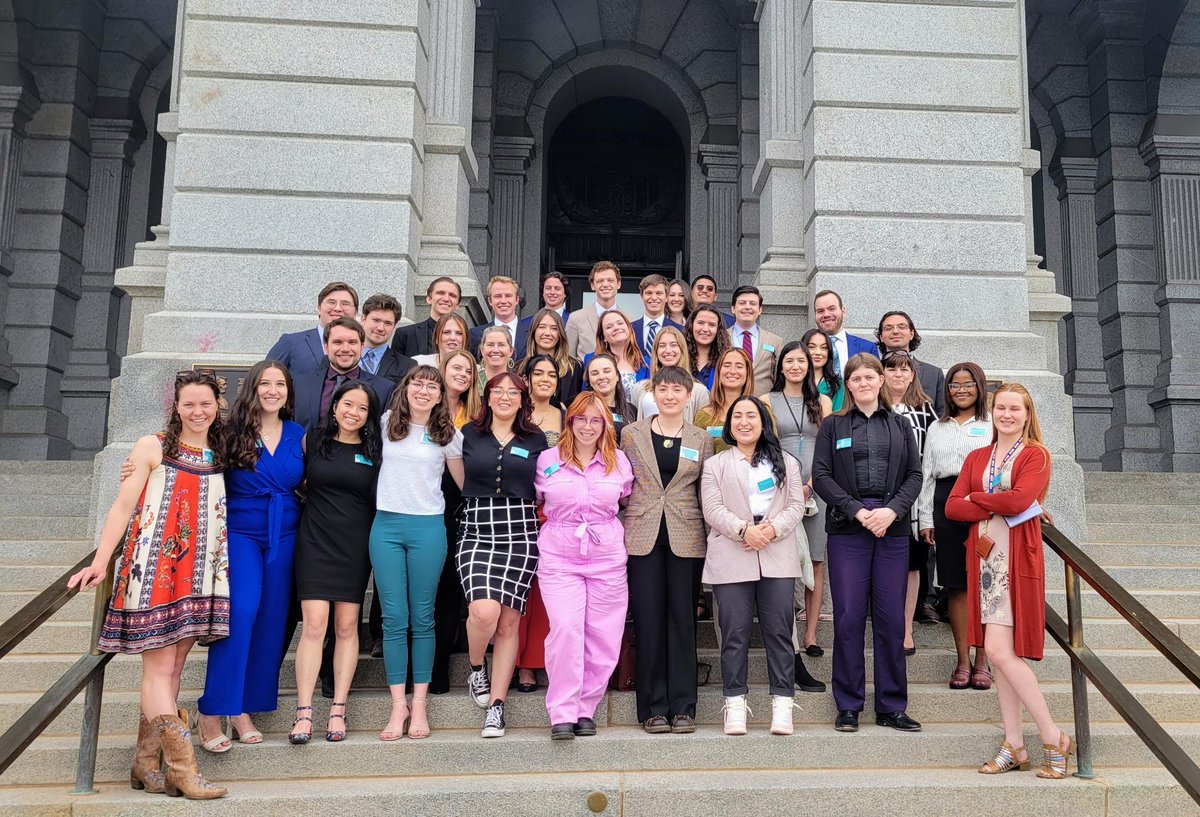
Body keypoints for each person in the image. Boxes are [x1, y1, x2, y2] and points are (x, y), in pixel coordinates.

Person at [69, 369, 230, 800]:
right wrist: (101, 562)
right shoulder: (152, 446)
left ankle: (144, 764)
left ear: (218, 406)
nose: (198, 411)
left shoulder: (222, 450)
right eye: (189, 404)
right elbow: (122, 507)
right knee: (159, 670)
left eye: (205, 403)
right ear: (176, 407)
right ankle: (183, 769)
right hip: (155, 570)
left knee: (174, 669)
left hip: (199, 575)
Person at [946, 383, 1073, 778]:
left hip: (1014, 561)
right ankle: (1014, 744)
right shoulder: (978, 455)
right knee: (1000, 659)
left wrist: (978, 499)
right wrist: (997, 498)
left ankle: (1053, 736)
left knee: (1000, 653)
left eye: (1015, 409)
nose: (1007, 414)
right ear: (992, 412)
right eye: (1001, 408)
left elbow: (1020, 502)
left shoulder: (1036, 455)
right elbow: (951, 507)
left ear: (1027, 414)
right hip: (984, 563)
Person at [193, 361, 303, 752]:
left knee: (272, 620)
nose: (273, 390)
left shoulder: (298, 434)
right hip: (241, 532)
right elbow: (190, 458)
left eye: (281, 384)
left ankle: (243, 708)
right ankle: (211, 709)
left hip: (286, 534)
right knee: (242, 612)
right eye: (265, 384)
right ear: (252, 388)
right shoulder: (229, 432)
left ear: (289, 391)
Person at [812, 353, 923, 735]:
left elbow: (914, 474)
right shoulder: (833, 425)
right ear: (849, 384)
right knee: (848, 618)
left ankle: (892, 705)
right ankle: (848, 705)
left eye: (869, 378)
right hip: (849, 528)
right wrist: (858, 511)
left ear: (881, 381)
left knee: (891, 620)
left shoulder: (899, 424)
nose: (863, 384)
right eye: (856, 379)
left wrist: (891, 511)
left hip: (891, 528)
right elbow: (822, 475)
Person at [701, 395, 813, 736]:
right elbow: (712, 508)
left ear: (764, 422)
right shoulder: (716, 464)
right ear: (729, 425)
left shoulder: (786, 462)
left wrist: (771, 529)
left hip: (776, 552)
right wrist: (743, 530)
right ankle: (735, 704)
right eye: (737, 417)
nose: (744, 422)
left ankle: (782, 703)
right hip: (733, 550)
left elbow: (796, 505)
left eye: (751, 415)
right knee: (734, 633)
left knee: (779, 632)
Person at [370, 366, 465, 741]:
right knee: (394, 618)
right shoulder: (384, 424)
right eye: (417, 383)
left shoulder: (448, 436)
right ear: (406, 388)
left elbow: (464, 486)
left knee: (423, 618)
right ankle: (398, 705)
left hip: (428, 529)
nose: (424, 390)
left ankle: (420, 703)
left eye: (432, 386)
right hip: (386, 528)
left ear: (441, 396)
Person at [535, 392, 634, 740]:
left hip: (606, 554)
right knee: (565, 629)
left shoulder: (619, 462)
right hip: (560, 555)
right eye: (581, 419)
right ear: (570, 421)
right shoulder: (548, 459)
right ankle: (562, 709)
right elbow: (539, 500)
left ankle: (585, 708)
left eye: (596, 419)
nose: (588, 426)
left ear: (605, 423)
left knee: (604, 635)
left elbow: (624, 499)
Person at [621, 367, 714, 734]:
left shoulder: (702, 438)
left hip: (686, 535)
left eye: (678, 390)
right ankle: (652, 707)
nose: (670, 396)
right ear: (653, 394)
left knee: (682, 620)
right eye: (663, 389)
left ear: (689, 396)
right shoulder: (631, 434)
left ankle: (684, 707)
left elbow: (705, 491)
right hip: (642, 534)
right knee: (648, 620)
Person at [457, 373, 550, 738]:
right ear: (488, 396)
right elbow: (456, 478)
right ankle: (477, 666)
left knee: (509, 623)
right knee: (484, 612)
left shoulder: (535, 438)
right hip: (477, 531)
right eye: (499, 391)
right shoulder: (467, 434)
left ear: (522, 398)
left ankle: (497, 706)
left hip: (521, 532)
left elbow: (544, 484)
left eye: (514, 391)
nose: (506, 397)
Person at [292, 380, 382, 743]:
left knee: (347, 627)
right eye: (348, 404)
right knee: (314, 625)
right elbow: (293, 480)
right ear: (334, 406)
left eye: (362, 408)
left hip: (355, 545)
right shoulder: (312, 440)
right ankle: (303, 713)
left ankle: (338, 710)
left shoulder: (375, 450)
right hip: (314, 541)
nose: (353, 413)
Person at [918, 362, 993, 690]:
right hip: (946, 503)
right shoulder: (938, 426)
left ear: (980, 387)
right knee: (957, 585)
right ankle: (962, 661)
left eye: (968, 384)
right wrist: (925, 518)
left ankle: (983, 661)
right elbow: (927, 473)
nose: (961, 390)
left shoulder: (991, 424)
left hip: (985, 505)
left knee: (986, 585)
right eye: (954, 385)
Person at [766, 341, 834, 664]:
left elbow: (827, 445)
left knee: (817, 561)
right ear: (780, 366)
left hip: (817, 485)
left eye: (801, 361)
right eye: (789, 361)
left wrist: (811, 483)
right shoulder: (768, 400)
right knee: (787, 558)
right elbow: (767, 445)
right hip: (782, 486)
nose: (795, 366)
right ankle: (788, 629)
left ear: (809, 366)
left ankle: (810, 635)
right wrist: (793, 486)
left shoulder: (821, 400)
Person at [881, 349, 941, 655]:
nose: (898, 375)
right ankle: (886, 626)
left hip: (914, 500)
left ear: (913, 374)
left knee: (912, 565)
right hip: (878, 498)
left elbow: (930, 460)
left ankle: (905, 629)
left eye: (905, 370)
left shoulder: (927, 410)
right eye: (892, 370)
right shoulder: (874, 407)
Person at [428, 350, 479, 690]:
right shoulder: (421, 408)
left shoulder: (476, 416)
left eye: (468, 370)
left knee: (449, 590)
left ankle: (440, 669)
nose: (461, 374)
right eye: (455, 367)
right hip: (422, 507)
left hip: (458, 508)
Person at [515, 355, 565, 693]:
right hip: (520, 506)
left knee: (550, 591)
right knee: (523, 590)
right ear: (528, 378)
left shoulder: (564, 413)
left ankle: (546, 658)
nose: (545, 379)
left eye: (551, 374)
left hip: (555, 509)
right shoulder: (516, 410)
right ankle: (523, 664)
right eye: (539, 374)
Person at [291, 317, 396, 430]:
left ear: (361, 348)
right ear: (326, 347)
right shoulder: (300, 384)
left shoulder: (384, 389)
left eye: (352, 342)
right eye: (338, 342)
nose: (345, 349)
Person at [267, 282, 359, 376]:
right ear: (319, 308)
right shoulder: (291, 343)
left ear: (356, 312)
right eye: (331, 302)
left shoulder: (361, 348)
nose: (338, 308)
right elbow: (264, 377)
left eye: (345, 304)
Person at [628, 327, 710, 421]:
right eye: (662, 346)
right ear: (656, 351)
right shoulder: (639, 388)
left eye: (673, 345)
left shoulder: (699, 391)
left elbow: (701, 431)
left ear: (682, 350)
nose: (668, 350)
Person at [876, 310, 945, 415]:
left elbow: (942, 415)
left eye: (901, 327)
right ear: (881, 337)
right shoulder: (872, 372)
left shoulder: (933, 374)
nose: (895, 331)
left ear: (911, 334)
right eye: (888, 328)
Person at [694, 348, 759, 454]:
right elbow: (697, 459)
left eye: (739, 366)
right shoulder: (703, 416)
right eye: (727, 365)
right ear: (718, 372)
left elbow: (772, 453)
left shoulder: (762, 412)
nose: (732, 371)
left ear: (748, 373)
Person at [727, 285, 784, 396]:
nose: (747, 307)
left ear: (760, 310)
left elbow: (779, 379)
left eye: (752, 304)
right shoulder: (721, 337)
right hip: (728, 404)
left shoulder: (775, 341)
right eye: (742, 303)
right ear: (733, 308)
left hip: (763, 405)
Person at [521, 307, 584, 405]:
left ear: (560, 334)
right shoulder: (520, 367)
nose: (547, 333)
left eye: (554, 328)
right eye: (541, 327)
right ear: (533, 331)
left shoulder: (574, 368)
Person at [812, 289, 878, 377]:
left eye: (831, 308)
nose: (826, 314)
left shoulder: (867, 348)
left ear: (843, 310)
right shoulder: (805, 349)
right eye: (820, 311)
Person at [566, 260, 623, 358]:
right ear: (593, 285)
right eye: (600, 281)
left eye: (610, 280)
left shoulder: (629, 320)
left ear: (618, 284)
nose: (605, 284)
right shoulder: (575, 318)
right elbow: (568, 359)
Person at [394, 276, 462, 357]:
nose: (446, 299)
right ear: (429, 299)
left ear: (457, 305)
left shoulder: (468, 338)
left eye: (452, 295)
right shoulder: (405, 335)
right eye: (440, 293)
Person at [588, 310, 649, 398]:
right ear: (603, 337)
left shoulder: (645, 363)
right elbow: (586, 395)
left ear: (629, 328)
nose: (616, 328)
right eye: (609, 327)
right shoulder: (591, 360)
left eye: (620, 323)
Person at [358, 293, 416, 383]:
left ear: (394, 326)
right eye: (376, 320)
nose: (381, 328)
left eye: (388, 323)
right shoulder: (343, 355)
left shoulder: (407, 366)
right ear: (363, 319)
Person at [470, 276, 528, 358]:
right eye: (498, 296)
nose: (503, 301)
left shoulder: (531, 334)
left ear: (517, 300)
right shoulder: (475, 334)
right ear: (490, 301)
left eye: (508, 296)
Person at [631, 274, 684, 360]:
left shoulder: (680, 330)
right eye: (649, 293)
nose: (654, 298)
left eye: (659, 293)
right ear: (641, 297)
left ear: (666, 297)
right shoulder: (629, 329)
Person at [584, 353, 636, 438]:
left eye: (607, 371)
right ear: (589, 381)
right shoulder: (583, 409)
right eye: (594, 373)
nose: (601, 377)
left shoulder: (632, 411)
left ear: (617, 376)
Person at [686, 304, 732, 390]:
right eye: (701, 323)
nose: (705, 329)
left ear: (718, 329)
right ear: (691, 325)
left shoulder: (726, 359)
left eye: (711, 325)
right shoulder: (679, 356)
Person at [804, 328, 844, 412]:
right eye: (811, 347)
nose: (818, 352)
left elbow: (838, 417)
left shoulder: (838, 384)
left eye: (824, 348)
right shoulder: (794, 381)